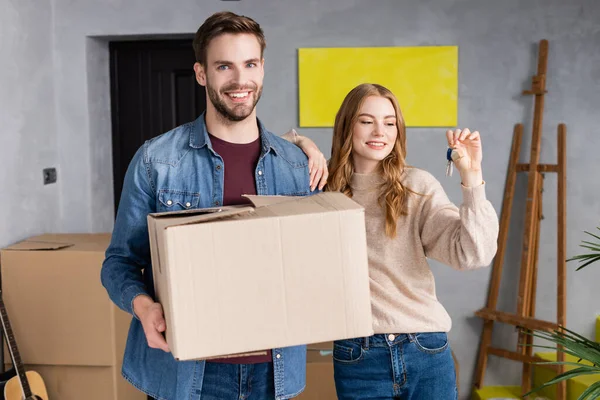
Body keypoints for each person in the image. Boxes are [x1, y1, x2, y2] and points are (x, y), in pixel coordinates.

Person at [101, 11, 327, 400]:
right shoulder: (157, 160)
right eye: (224, 66)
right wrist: (143, 307)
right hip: (185, 373)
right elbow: (119, 262)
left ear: (262, 68)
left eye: (250, 64)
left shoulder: (294, 165)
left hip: (272, 375)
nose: (240, 80)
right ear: (202, 73)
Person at [326, 83, 499, 399]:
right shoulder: (322, 191)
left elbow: (474, 254)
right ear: (346, 125)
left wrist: (472, 178)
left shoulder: (417, 186)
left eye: (389, 122)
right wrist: (304, 145)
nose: (380, 131)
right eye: (366, 121)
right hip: (357, 355)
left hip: (424, 348)